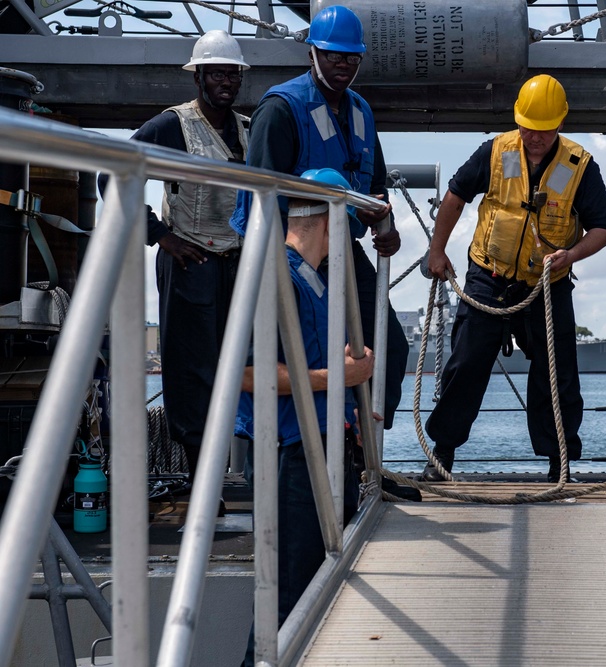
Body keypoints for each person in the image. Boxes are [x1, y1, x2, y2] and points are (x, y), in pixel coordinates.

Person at [421, 74, 606, 483]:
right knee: (466, 365)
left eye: (543, 131)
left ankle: (558, 465)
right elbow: (455, 196)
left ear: (559, 124)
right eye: (528, 128)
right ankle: (441, 457)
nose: (535, 138)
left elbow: (602, 228)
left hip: (548, 284)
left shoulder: (579, 167)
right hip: (488, 277)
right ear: (517, 121)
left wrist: (572, 255)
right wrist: (436, 251)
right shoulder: (496, 152)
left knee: (557, 373)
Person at [228, 4, 408, 429]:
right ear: (312, 54)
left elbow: (374, 189)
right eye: (332, 55)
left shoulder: (361, 112)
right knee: (304, 353)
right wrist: (271, 269)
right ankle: (310, 456)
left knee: (389, 347)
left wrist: (387, 227)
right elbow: (261, 197)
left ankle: (367, 454)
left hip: (342, 249)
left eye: (350, 57)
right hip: (290, 257)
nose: (342, 65)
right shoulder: (282, 108)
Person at [235, 168, 375, 665]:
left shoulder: (317, 282)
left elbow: (317, 365)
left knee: (316, 586)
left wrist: (349, 399)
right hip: (291, 455)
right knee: (287, 595)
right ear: (329, 223)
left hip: (322, 449)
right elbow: (250, 373)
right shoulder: (277, 278)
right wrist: (336, 378)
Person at [107, 30, 250, 484]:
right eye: (217, 73)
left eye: (233, 73)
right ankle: (200, 480)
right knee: (191, 372)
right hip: (191, 262)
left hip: (237, 262)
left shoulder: (248, 129)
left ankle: (249, 470)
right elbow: (116, 175)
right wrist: (159, 235)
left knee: (245, 363)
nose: (226, 82)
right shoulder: (173, 125)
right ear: (199, 77)